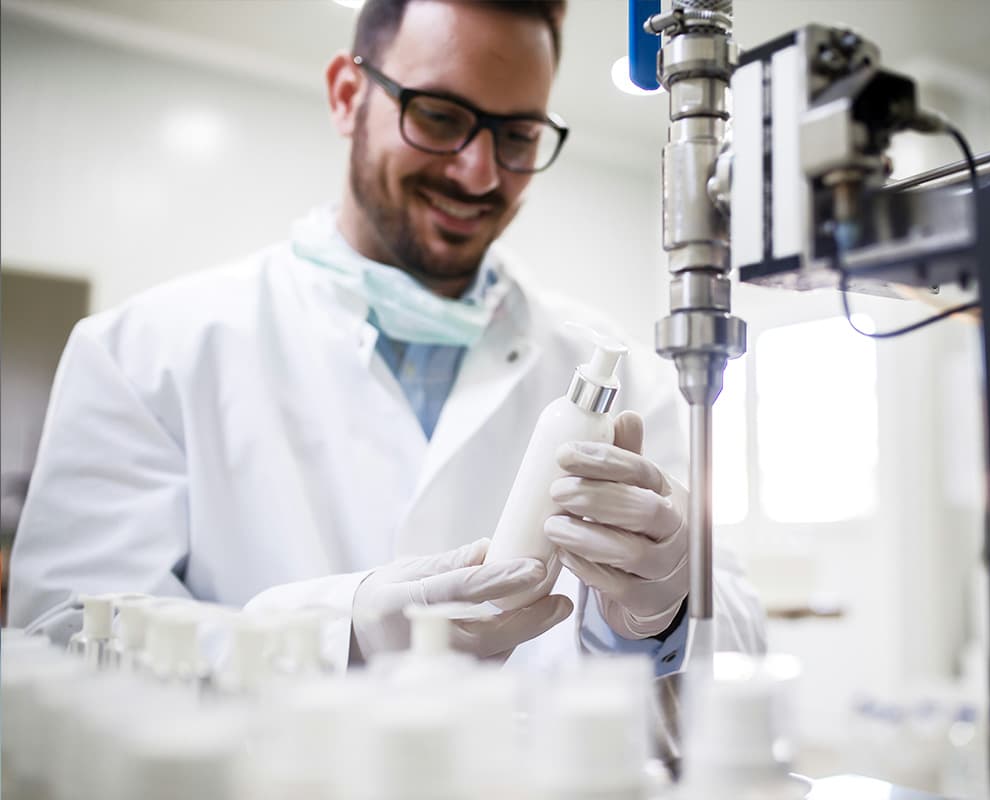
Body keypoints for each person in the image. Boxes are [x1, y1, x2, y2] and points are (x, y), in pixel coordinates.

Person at [9, 0, 764, 672]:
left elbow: (740, 643)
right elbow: (59, 642)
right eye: (438, 116)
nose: (478, 172)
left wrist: (663, 612)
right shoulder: (142, 353)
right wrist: (342, 632)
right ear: (346, 94)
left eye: (518, 134)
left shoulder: (622, 374)